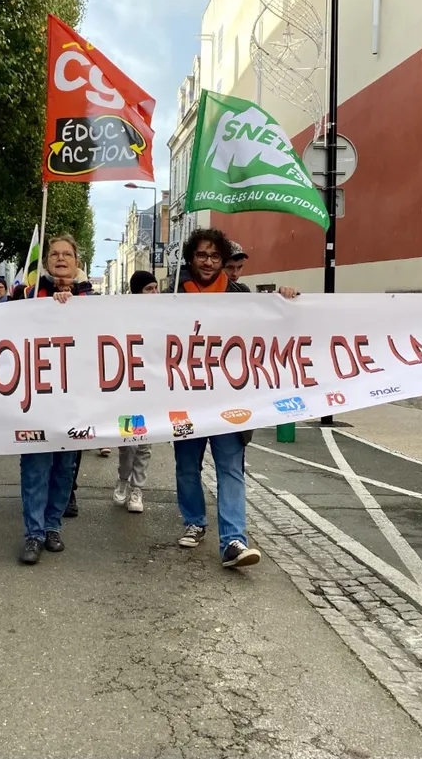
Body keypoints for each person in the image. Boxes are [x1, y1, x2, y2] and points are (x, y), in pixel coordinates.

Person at [170, 228, 298, 568]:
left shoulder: (241, 294)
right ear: (191, 259)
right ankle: (195, 521)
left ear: (223, 260)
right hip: (186, 397)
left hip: (229, 400)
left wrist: (283, 299)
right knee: (186, 466)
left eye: (214, 256)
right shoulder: (172, 296)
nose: (208, 262)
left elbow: (271, 326)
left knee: (230, 468)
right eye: (202, 255)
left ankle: (233, 541)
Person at [18, 234, 93, 564]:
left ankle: (52, 526)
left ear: (78, 263)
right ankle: (33, 533)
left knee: (65, 467)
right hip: (37, 397)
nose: (61, 259)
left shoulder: (94, 300)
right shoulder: (27, 296)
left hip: (75, 398)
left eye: (67, 254)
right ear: (46, 261)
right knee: (36, 466)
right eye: (54, 254)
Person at [114, 270, 161, 514]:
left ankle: (137, 488)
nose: (154, 293)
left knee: (145, 444)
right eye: (148, 289)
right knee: (129, 441)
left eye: (156, 288)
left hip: (152, 391)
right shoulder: (125, 318)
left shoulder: (163, 318)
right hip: (130, 389)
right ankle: (123, 479)